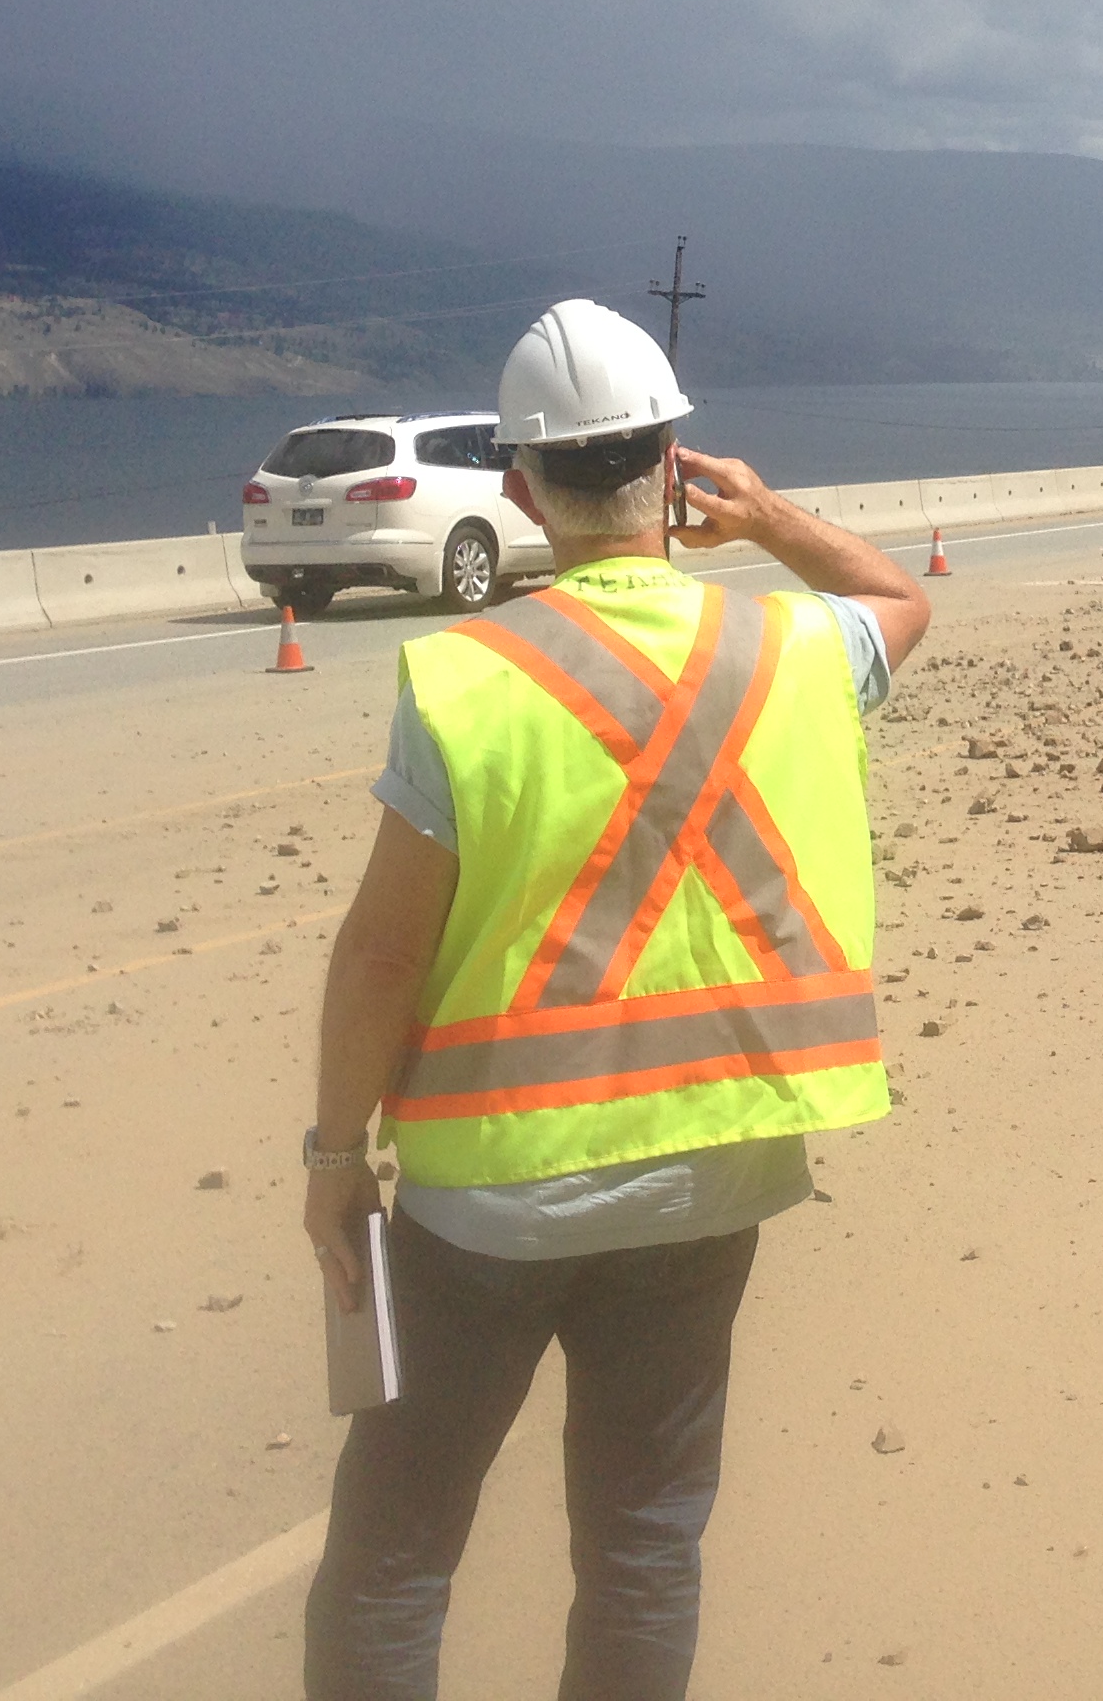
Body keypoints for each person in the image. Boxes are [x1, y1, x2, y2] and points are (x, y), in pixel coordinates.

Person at [299, 297, 932, 1701]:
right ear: (676, 466)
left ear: (520, 487)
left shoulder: (469, 677)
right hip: (713, 1180)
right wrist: (766, 521)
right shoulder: (791, 651)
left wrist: (337, 1159)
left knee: (395, 1554)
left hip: (494, 1195)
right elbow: (902, 598)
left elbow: (382, 959)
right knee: (646, 1541)